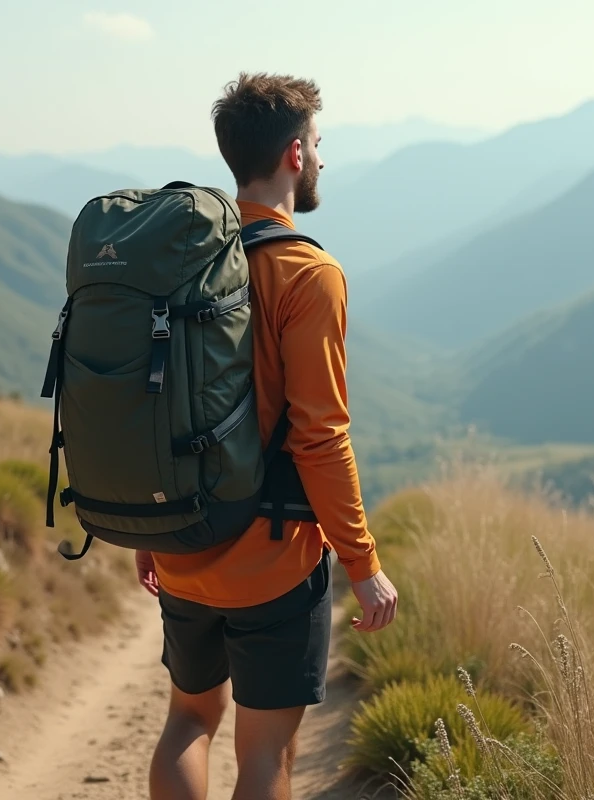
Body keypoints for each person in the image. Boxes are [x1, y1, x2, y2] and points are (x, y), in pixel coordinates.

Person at [133, 72, 399, 800]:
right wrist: (361, 560)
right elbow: (320, 437)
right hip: (274, 561)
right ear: (293, 154)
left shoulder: (178, 265)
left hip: (184, 541)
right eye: (318, 144)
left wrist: (148, 529)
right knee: (266, 755)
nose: (320, 158)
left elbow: (147, 403)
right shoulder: (306, 273)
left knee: (188, 721)